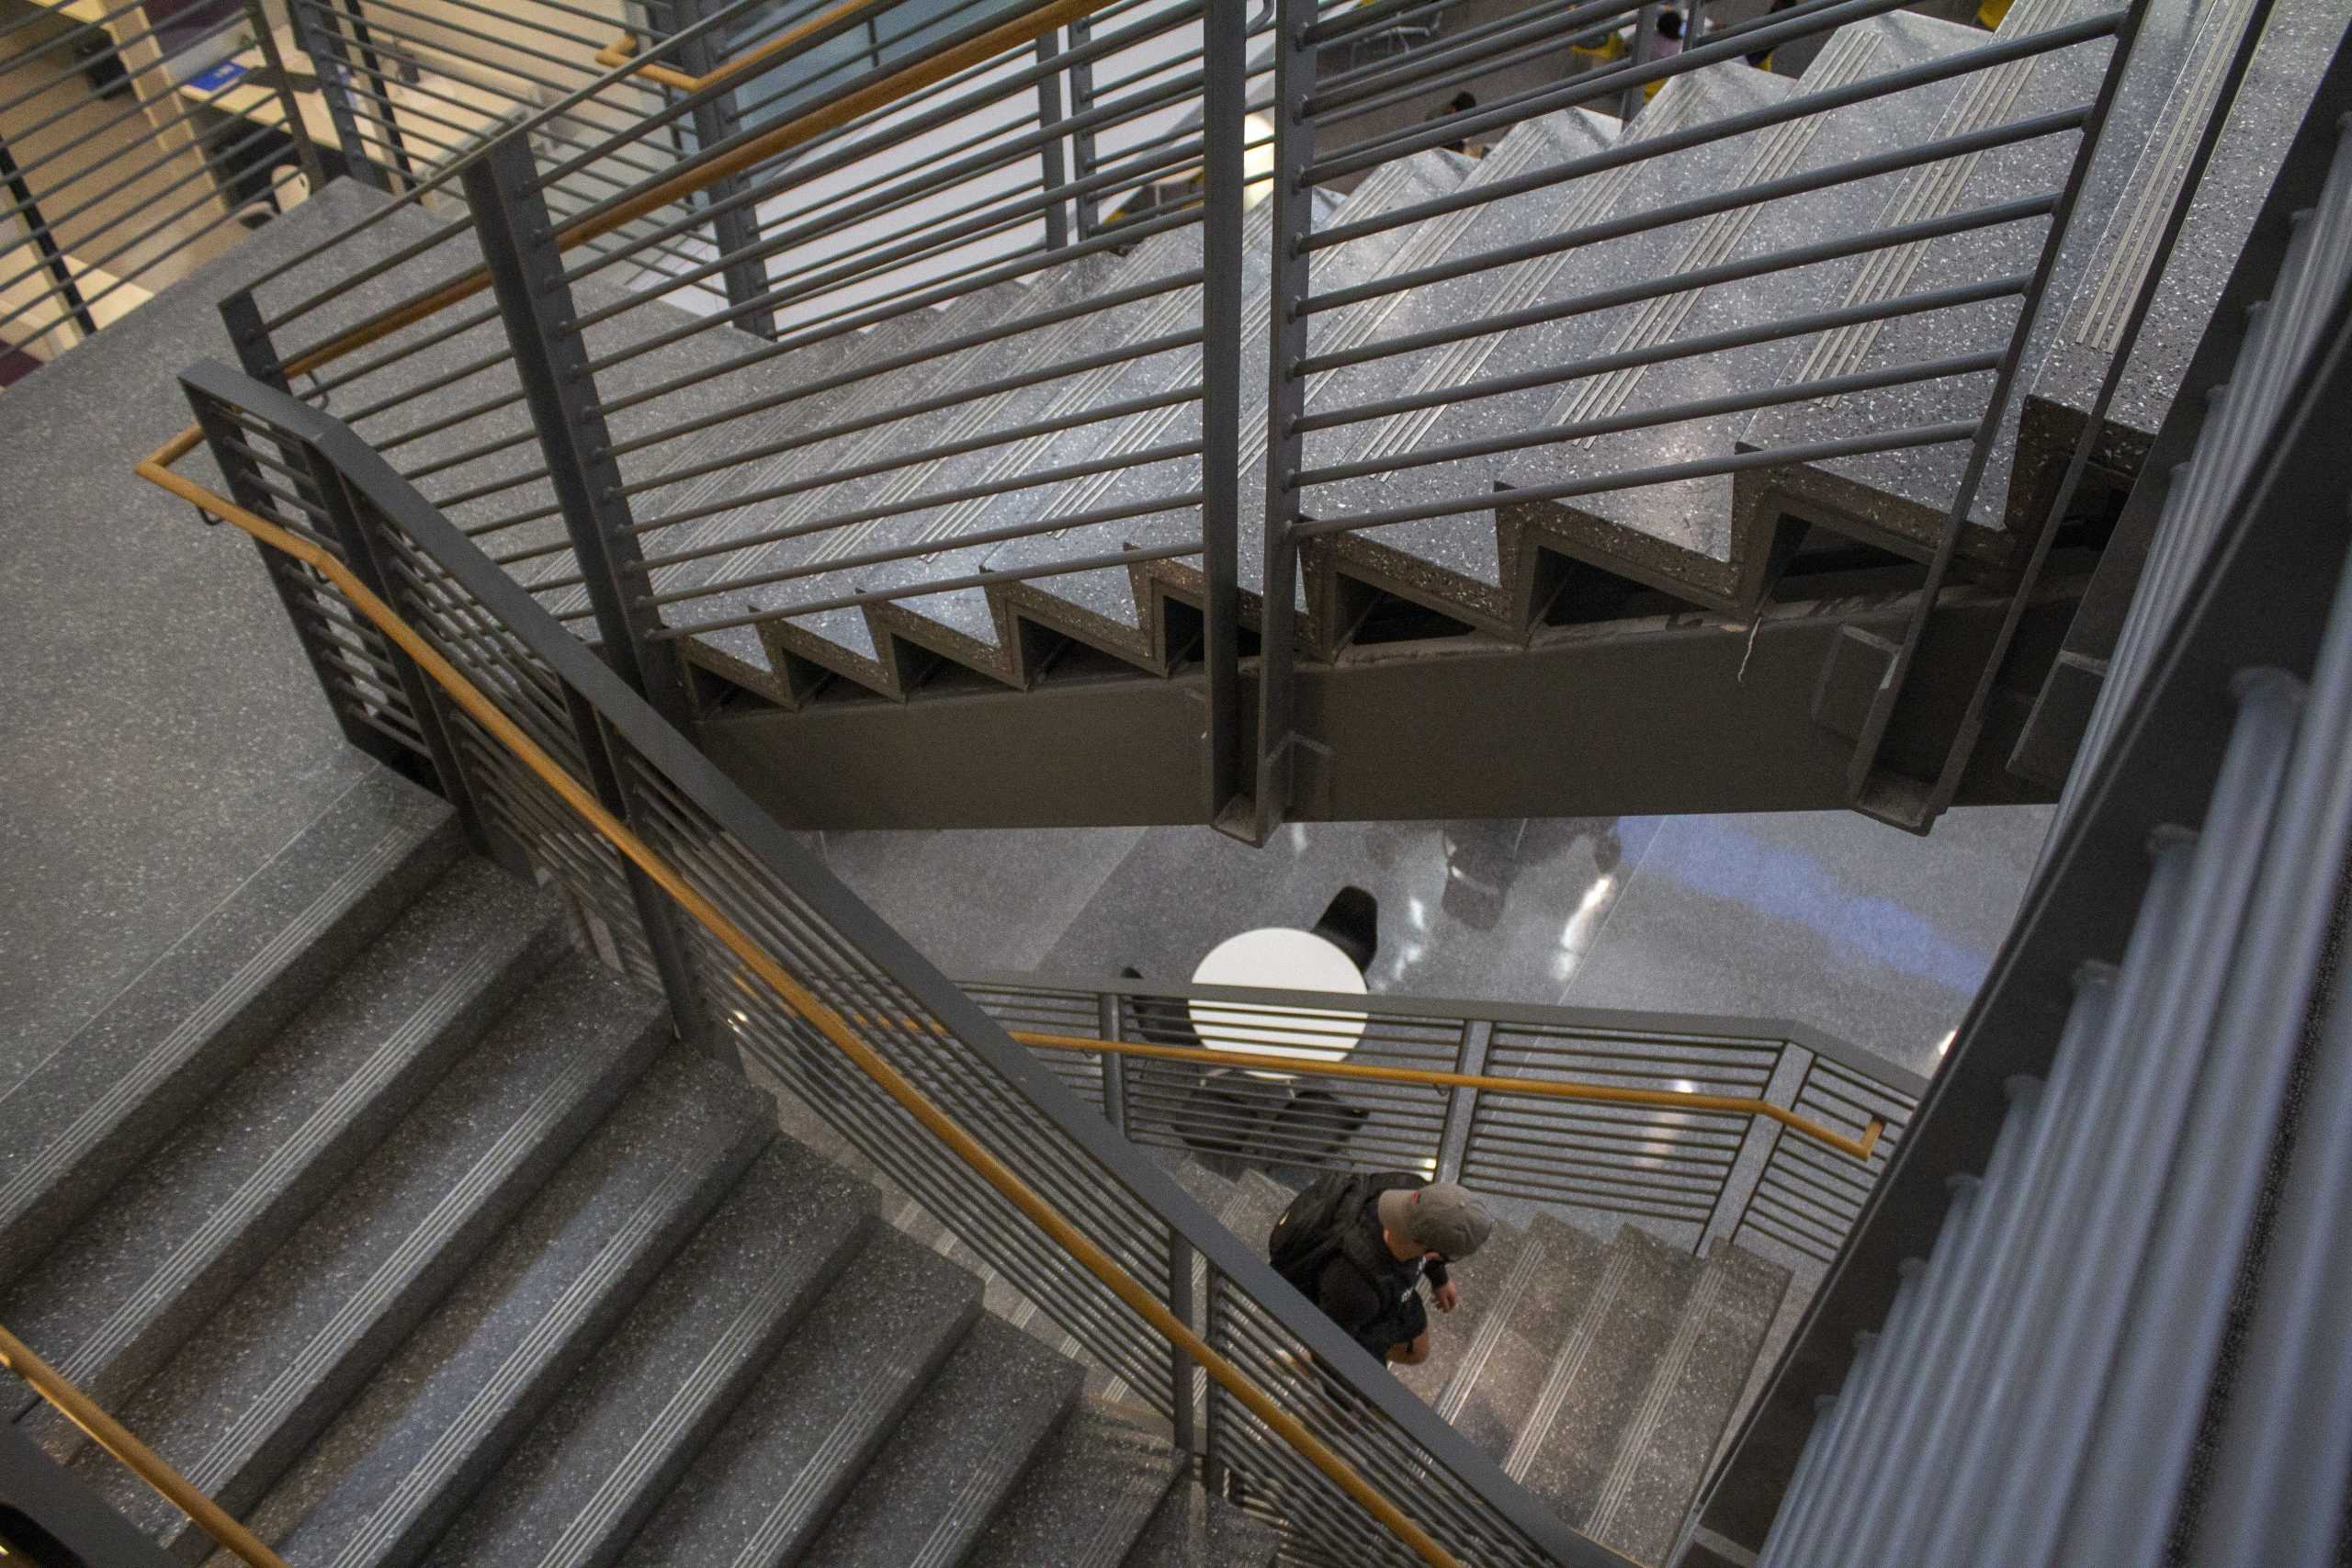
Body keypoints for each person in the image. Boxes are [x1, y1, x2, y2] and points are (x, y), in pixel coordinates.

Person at [1269, 1173, 1495, 1367]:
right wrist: (1351, 1409)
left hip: (1389, 1293)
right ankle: (1306, 1365)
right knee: (1397, 1360)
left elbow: (1427, 1227)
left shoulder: (1408, 1188)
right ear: (1433, 1255)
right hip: (1352, 1315)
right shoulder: (1355, 1289)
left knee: (1418, 1353)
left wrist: (1439, 1280)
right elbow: (1330, 1350)